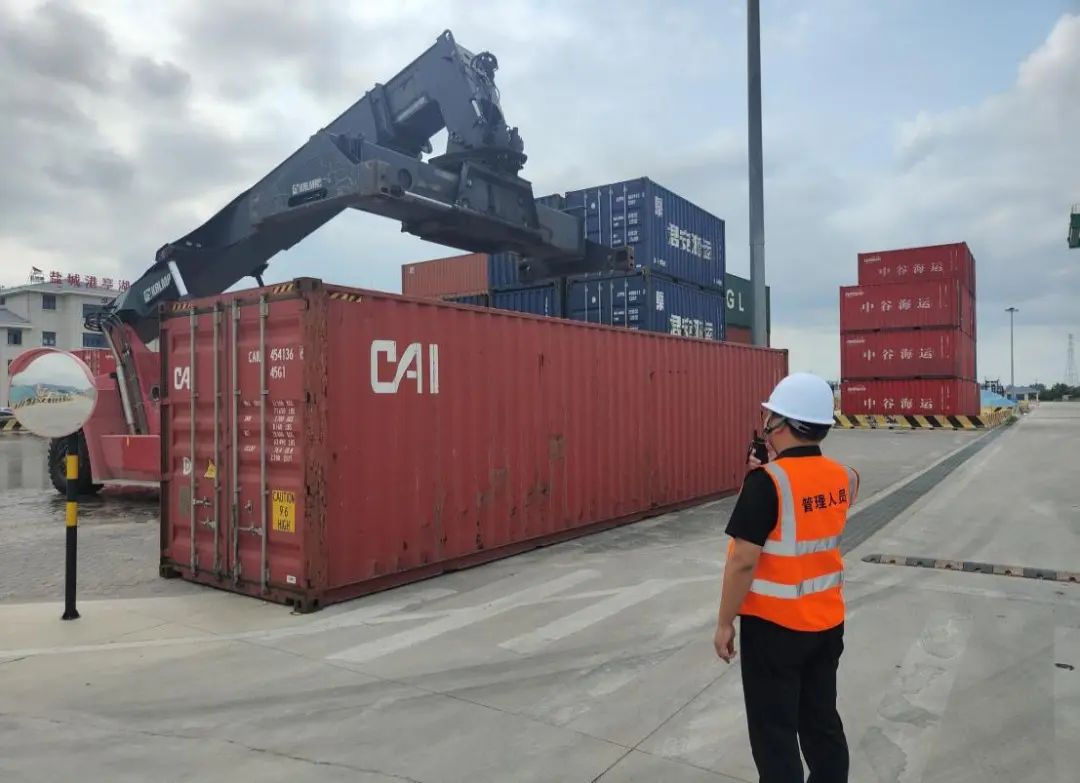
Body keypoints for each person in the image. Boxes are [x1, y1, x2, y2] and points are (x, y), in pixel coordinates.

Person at [713, 372, 859, 783]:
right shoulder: (842, 476)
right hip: (827, 625)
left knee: (774, 735)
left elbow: (743, 561)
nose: (766, 423)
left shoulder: (766, 484)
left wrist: (724, 622)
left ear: (784, 424)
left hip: (774, 631)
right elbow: (838, 487)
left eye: (771, 416)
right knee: (821, 723)